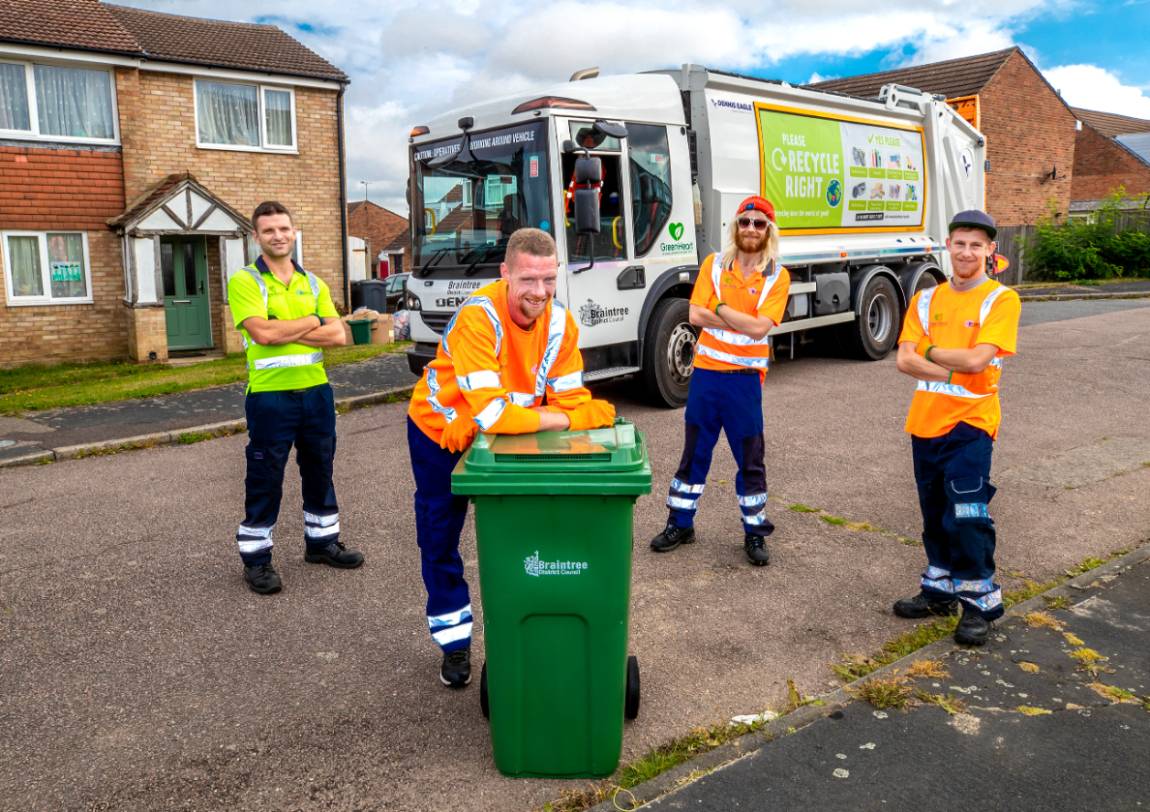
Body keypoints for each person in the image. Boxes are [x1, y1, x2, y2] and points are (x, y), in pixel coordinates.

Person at [407, 228, 615, 688]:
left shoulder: (561, 324)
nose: (538, 293)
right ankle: (455, 643)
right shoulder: (479, 317)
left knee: (525, 536)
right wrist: (562, 419)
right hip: (441, 432)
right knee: (440, 537)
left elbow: (569, 397)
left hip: (505, 433)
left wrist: (554, 413)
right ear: (505, 274)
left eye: (548, 279)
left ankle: (533, 626)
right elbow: (496, 412)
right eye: (527, 280)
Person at [892, 209, 1021, 646]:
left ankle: (977, 605)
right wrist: (949, 368)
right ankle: (939, 590)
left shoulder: (1001, 300)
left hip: (972, 425)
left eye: (976, 245)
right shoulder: (926, 299)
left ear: (990, 251)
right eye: (959, 243)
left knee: (968, 514)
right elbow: (903, 360)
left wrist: (928, 350)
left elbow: (977, 360)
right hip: (925, 422)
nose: (966, 251)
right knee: (933, 513)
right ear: (948, 246)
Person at [228, 201, 364, 595]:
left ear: (294, 231)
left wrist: (287, 326)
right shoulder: (246, 281)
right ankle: (257, 561)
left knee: (320, 468)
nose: (278, 235)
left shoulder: (313, 281)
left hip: (316, 393)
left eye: (284, 228)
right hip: (271, 398)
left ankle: (322, 544)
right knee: (266, 476)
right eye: (269, 230)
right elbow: (263, 335)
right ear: (257, 236)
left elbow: (339, 335)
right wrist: (312, 322)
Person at [650, 196, 791, 566]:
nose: (750, 229)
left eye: (759, 224)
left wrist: (718, 309)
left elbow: (761, 327)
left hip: (744, 381)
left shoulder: (777, 275)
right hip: (707, 377)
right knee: (694, 453)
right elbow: (695, 315)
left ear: (768, 231)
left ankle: (755, 531)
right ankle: (680, 523)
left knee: (750, 457)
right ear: (735, 226)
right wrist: (735, 316)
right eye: (745, 222)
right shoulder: (713, 265)